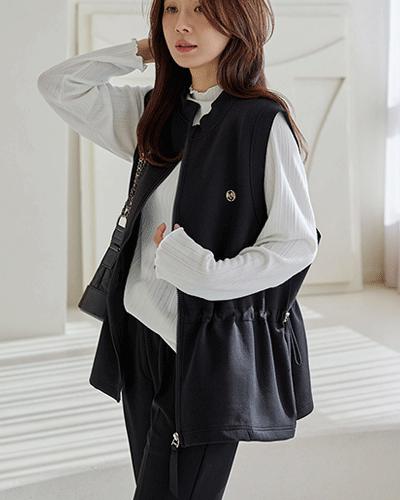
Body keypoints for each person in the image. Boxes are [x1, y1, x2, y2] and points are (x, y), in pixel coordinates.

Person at [38, 0, 319, 498]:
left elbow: (295, 244)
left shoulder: (262, 123)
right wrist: (146, 50)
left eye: (202, 10)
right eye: (171, 9)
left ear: (238, 21)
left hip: (207, 351)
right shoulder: (157, 111)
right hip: (140, 333)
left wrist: (206, 273)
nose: (182, 24)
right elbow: (59, 85)